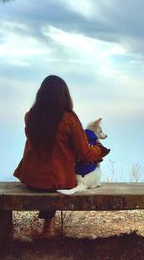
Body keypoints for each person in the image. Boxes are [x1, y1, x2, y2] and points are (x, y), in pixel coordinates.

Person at [13, 75, 110, 234]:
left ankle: (46, 227)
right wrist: (100, 149)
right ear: (65, 95)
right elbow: (85, 154)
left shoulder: (30, 116)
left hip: (31, 178)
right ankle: (47, 227)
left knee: (50, 176)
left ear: (40, 94)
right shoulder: (69, 119)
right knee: (55, 179)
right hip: (57, 181)